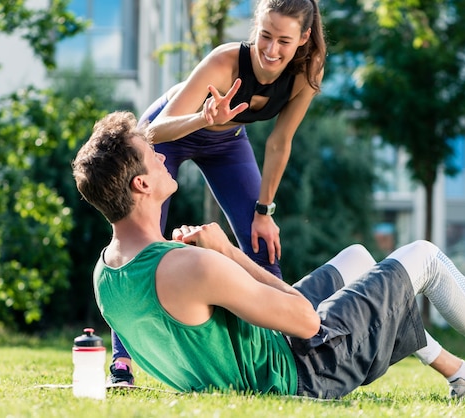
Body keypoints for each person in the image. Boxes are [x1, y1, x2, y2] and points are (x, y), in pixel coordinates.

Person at [73, 111, 465, 403]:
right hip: (300, 373)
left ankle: (461, 375)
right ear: (142, 183)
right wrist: (230, 253)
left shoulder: (106, 274)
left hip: (256, 359)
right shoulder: (189, 264)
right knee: (421, 257)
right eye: (153, 155)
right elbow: (306, 323)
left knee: (355, 260)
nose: (165, 157)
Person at [105, 0, 327, 382]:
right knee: (143, 245)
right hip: (168, 139)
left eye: (284, 42)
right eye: (265, 37)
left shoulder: (307, 71)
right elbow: (152, 132)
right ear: (255, 27)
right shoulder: (224, 62)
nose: (272, 50)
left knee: (262, 244)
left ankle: (282, 353)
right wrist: (202, 117)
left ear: (303, 38)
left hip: (227, 143)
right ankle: (122, 364)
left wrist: (264, 211)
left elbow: (279, 142)